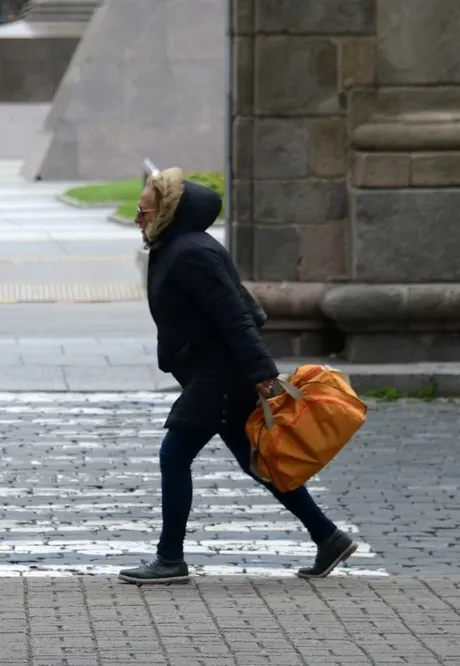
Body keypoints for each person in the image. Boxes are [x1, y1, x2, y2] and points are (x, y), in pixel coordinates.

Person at [118, 167, 357, 585]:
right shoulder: (176, 246)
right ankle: (328, 537)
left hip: (220, 374)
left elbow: (236, 317)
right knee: (257, 461)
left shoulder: (192, 252)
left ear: (167, 211)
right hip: (213, 370)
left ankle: (170, 558)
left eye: (144, 209)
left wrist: (262, 374)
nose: (138, 217)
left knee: (174, 456)